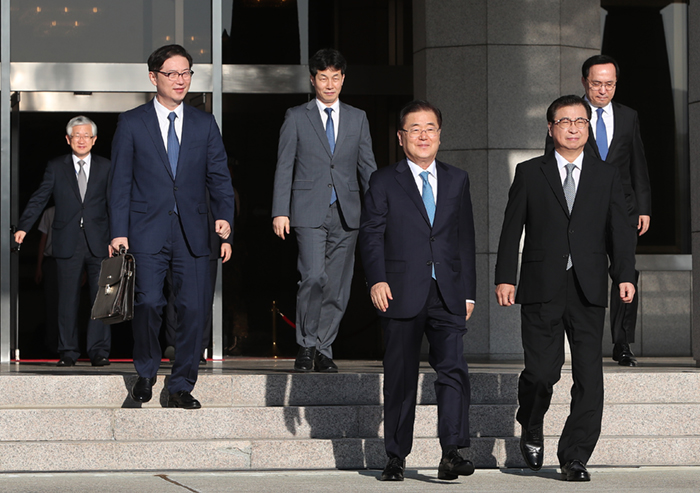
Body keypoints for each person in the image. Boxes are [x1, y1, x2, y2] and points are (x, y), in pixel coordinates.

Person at [497, 95, 637, 481]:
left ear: (588, 128)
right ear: (550, 128)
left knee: (590, 378)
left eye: (580, 121)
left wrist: (624, 274)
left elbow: (620, 232)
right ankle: (532, 418)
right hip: (542, 285)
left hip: (589, 286)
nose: (573, 128)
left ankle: (574, 456)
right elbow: (512, 230)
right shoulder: (530, 172)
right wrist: (505, 276)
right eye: (564, 121)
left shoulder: (607, 175)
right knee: (542, 373)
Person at [109, 44, 235, 409]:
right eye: (172, 74)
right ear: (154, 77)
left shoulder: (204, 123)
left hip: (196, 233)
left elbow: (220, 178)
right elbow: (119, 182)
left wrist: (225, 218)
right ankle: (146, 372)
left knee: (194, 310)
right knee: (147, 303)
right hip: (146, 230)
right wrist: (119, 231)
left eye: (186, 73)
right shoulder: (132, 122)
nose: (181, 80)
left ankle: (181, 384)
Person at [359, 100, 476, 482]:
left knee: (454, 371)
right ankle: (395, 456)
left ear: (440, 135)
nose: (423, 136)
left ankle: (452, 452)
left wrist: (469, 292)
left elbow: (464, 239)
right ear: (400, 137)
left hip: (448, 292)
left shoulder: (457, 179)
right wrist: (376, 279)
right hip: (399, 290)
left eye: (430, 128)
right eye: (415, 129)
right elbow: (372, 235)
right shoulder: (383, 180)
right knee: (400, 377)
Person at [271, 48, 377, 372]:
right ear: (313, 79)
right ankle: (305, 345)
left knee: (338, 285)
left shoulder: (358, 118)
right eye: (322, 77)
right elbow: (284, 164)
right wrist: (280, 210)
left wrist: (380, 210)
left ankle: (323, 348)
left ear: (343, 79)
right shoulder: (296, 116)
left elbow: (367, 168)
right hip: (307, 210)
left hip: (348, 212)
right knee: (313, 276)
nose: (329, 84)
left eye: (335, 77)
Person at [546, 55, 651, 366]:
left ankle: (622, 344)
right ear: (584, 83)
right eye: (596, 84)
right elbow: (551, 161)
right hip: (581, 209)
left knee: (625, 272)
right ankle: (579, 338)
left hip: (624, 208)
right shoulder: (569, 116)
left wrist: (644, 207)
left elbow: (637, 164)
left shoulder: (628, 116)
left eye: (610, 84)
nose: (603, 90)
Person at [15, 116, 111, 367]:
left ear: (94, 139)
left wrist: (120, 235)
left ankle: (99, 350)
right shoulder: (56, 166)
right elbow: (40, 197)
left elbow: (117, 203)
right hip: (67, 241)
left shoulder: (106, 167)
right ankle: (68, 350)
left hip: (100, 241)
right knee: (67, 299)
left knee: (102, 299)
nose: (81, 140)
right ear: (68, 139)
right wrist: (24, 227)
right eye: (76, 135)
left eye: (86, 135)